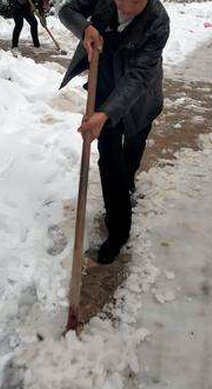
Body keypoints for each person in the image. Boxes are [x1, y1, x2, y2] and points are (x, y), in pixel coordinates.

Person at [59, 0, 170, 263]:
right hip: (105, 83)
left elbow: (140, 75)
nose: (128, 9)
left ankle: (128, 182)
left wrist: (107, 113)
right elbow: (66, 10)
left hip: (139, 97)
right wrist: (85, 28)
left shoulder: (158, 21)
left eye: (136, 2)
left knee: (132, 150)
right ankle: (119, 231)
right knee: (110, 160)